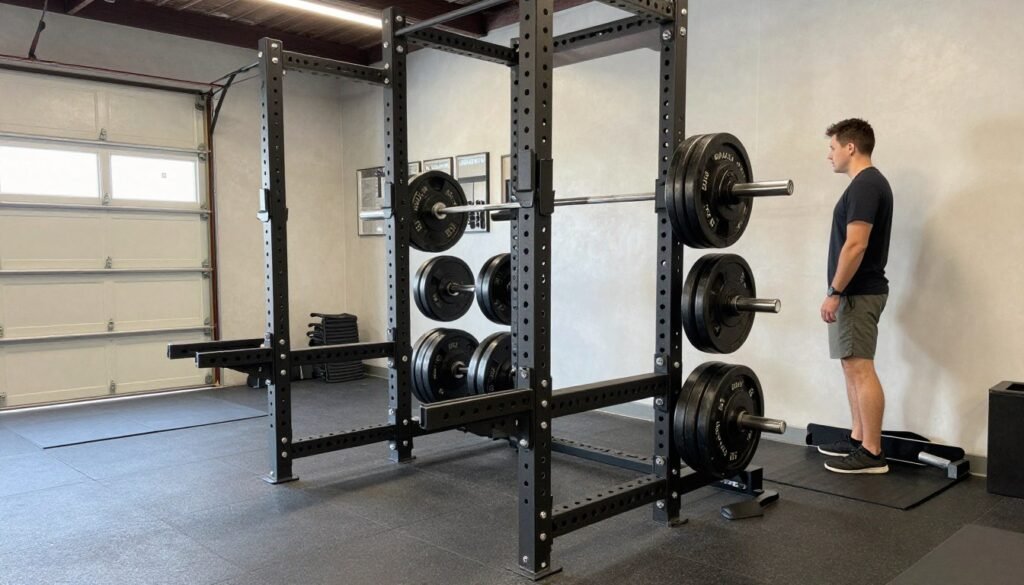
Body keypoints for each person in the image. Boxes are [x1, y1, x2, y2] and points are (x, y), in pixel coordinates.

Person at [817, 118, 894, 474]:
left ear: (850, 147)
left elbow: (856, 244)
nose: (829, 155)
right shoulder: (865, 185)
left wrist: (835, 291)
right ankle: (858, 439)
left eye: (832, 147)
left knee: (861, 368)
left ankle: (872, 452)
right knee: (851, 366)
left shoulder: (865, 185)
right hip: (857, 292)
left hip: (857, 292)